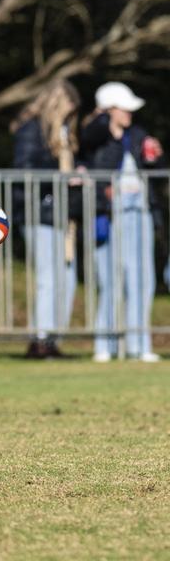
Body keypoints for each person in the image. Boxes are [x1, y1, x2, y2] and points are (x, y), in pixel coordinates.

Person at [79, 82, 164, 363]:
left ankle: (140, 343)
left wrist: (154, 155)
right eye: (124, 108)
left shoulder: (137, 135)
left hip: (139, 213)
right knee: (110, 279)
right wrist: (105, 123)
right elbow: (89, 141)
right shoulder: (96, 134)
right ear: (110, 109)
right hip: (108, 214)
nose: (129, 114)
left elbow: (155, 166)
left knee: (142, 278)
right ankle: (106, 344)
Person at [11, 80, 82, 359]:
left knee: (67, 278)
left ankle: (53, 337)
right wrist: (58, 174)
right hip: (38, 212)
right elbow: (24, 168)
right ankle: (39, 339)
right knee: (48, 278)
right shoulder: (32, 130)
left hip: (62, 215)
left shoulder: (63, 133)